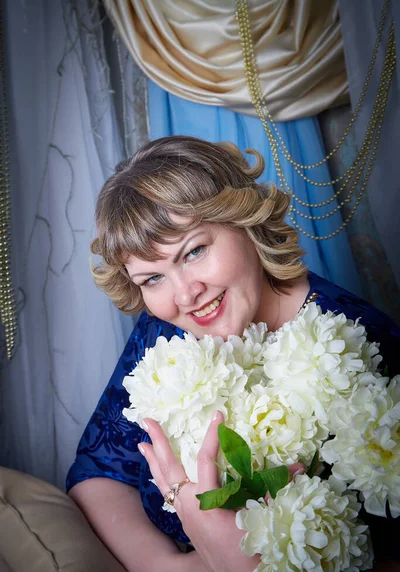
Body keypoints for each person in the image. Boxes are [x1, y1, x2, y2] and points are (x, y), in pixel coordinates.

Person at [67, 136, 400, 572]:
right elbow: (97, 475)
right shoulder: (164, 329)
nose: (185, 295)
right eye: (152, 278)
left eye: (195, 251)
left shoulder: (363, 345)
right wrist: (175, 566)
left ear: (245, 220)